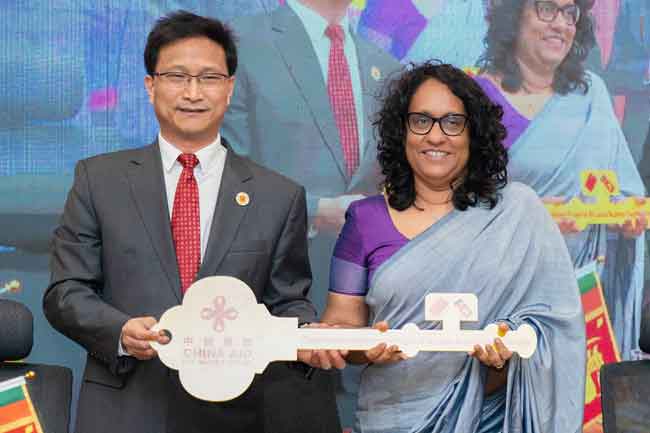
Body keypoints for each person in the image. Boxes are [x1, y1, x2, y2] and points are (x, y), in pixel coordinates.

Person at [43, 11, 339, 433]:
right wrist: (120, 331)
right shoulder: (99, 180)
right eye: (177, 76)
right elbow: (66, 291)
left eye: (209, 78)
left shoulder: (278, 195)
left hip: (235, 411)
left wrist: (307, 336)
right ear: (151, 86)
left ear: (230, 88)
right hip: (127, 405)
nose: (193, 92)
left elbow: (287, 302)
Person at [318, 61, 586, 433]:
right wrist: (368, 346)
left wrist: (507, 345)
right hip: (392, 418)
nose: (436, 136)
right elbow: (341, 325)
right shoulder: (365, 220)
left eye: (453, 122)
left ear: (473, 134)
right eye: (421, 121)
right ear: (402, 131)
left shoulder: (517, 214)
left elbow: (555, 325)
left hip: (489, 418)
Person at [475, 0, 647, 359]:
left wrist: (629, 219)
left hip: (584, 294)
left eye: (570, 13)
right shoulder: (475, 98)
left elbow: (623, 189)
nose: (561, 24)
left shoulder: (590, 93)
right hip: (502, 294)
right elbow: (455, 208)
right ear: (514, 15)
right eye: (547, 9)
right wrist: (531, 215)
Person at [222, 0, 400, 311]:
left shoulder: (385, 65)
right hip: (273, 281)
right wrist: (314, 210)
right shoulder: (242, 43)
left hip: (368, 288)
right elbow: (226, 167)